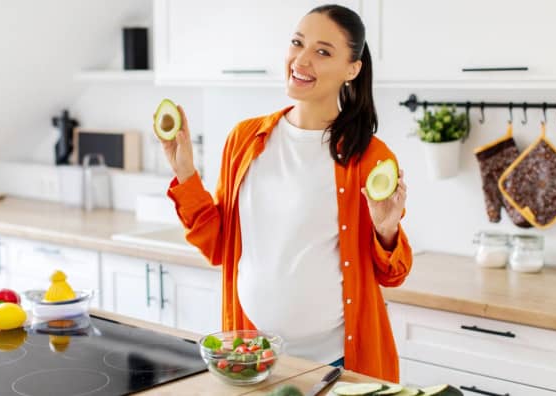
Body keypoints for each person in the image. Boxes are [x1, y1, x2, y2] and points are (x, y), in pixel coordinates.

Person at [159, 4, 412, 382]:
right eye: (297, 43)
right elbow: (218, 246)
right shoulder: (244, 140)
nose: (301, 59)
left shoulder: (370, 157)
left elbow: (392, 275)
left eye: (323, 51)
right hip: (253, 359)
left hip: (337, 364)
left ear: (352, 69)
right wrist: (185, 174)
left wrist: (386, 230)